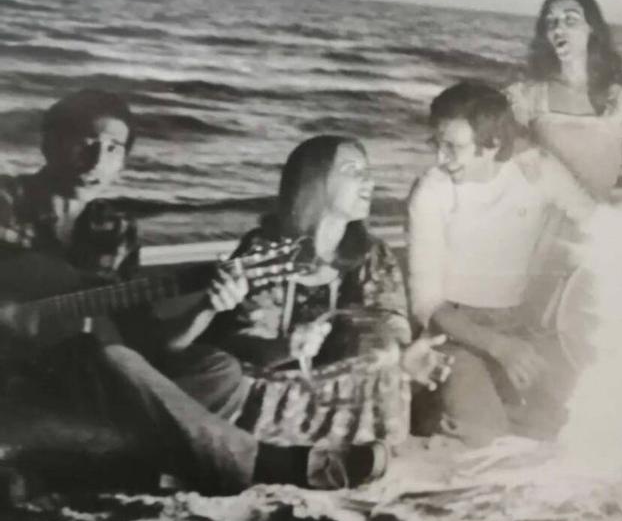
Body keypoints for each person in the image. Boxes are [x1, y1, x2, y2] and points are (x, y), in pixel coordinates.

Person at [0, 96, 396, 495]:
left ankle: (90, 468)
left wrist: (207, 306)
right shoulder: (5, 203)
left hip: (74, 386)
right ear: (49, 142)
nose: (97, 158)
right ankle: (277, 464)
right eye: (85, 141)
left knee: (219, 369)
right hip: (15, 381)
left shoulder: (114, 228)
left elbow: (153, 344)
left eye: (114, 147)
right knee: (104, 357)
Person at [159, 135, 450, 445]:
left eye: (368, 171)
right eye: (353, 170)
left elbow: (387, 326)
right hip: (270, 397)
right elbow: (244, 347)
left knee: (383, 360)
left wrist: (405, 356)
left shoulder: (375, 256)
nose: (369, 181)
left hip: (343, 398)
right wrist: (287, 348)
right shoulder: (263, 250)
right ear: (316, 181)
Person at [408, 81, 596, 446]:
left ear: (492, 145)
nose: (440, 159)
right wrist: (500, 348)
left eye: (453, 147)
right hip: (454, 335)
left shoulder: (536, 170)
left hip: (520, 327)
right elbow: (427, 306)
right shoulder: (431, 191)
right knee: (487, 441)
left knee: (584, 420)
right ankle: (448, 410)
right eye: (437, 144)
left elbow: (597, 224)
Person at [506, 0, 622, 230]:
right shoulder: (528, 95)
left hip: (593, 227)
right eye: (551, 21)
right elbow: (519, 161)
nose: (558, 28)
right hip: (534, 224)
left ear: (592, 29)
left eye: (570, 20)